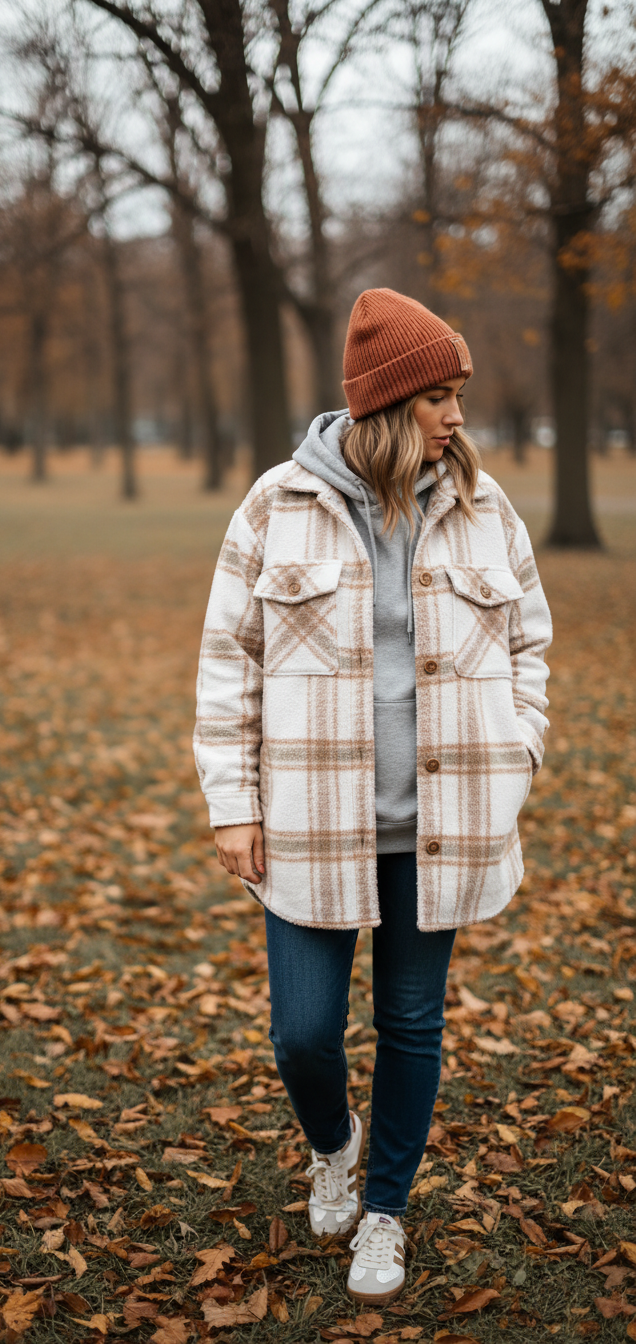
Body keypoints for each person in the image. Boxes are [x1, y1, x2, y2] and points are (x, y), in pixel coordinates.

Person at [193, 288, 552, 1305]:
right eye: (440, 396)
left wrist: (520, 748)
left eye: (460, 395)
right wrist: (233, 801)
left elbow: (531, 640)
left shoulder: (486, 508)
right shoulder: (276, 506)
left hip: (442, 831)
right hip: (312, 827)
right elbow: (231, 661)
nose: (457, 417)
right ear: (388, 403)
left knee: (411, 1023)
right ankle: (332, 1142)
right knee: (303, 1034)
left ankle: (385, 1210)